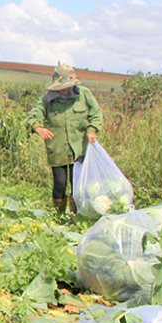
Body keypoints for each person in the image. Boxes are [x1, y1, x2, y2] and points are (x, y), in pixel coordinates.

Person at [26, 63, 103, 214]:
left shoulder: (84, 94)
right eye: (61, 87)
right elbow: (33, 114)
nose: (65, 90)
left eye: (67, 86)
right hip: (58, 148)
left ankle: (76, 216)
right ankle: (58, 215)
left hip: (79, 148)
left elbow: (96, 114)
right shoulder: (47, 99)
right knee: (60, 183)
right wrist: (37, 127)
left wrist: (92, 130)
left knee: (77, 184)